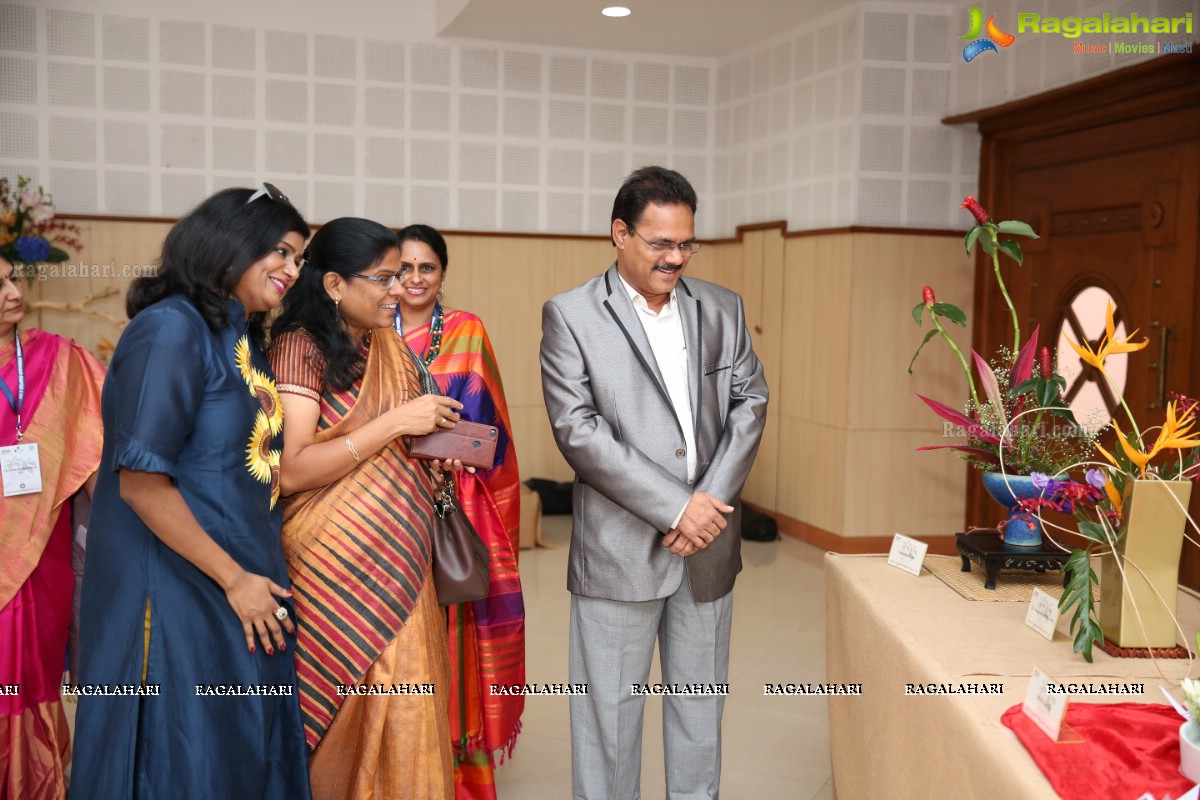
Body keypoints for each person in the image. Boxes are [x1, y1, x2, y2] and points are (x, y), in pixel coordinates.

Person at [71, 185, 312, 800]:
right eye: (280, 252)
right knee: (183, 750)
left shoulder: (237, 336)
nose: (292, 270)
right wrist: (234, 579)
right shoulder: (169, 330)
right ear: (231, 246)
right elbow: (142, 484)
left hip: (237, 574)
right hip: (174, 581)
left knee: (232, 743)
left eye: (300, 258)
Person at [539, 166, 769, 799]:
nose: (676, 258)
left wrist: (708, 507)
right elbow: (578, 432)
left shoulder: (722, 307)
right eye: (660, 244)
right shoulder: (572, 315)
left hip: (709, 545)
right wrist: (675, 508)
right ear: (619, 234)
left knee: (700, 716)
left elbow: (750, 400)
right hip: (618, 551)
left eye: (687, 244)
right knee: (608, 721)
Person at [269, 217, 464, 799]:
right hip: (331, 562)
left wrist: (432, 448)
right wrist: (395, 424)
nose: (399, 289)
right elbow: (291, 468)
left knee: (411, 694)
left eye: (403, 274)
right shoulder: (299, 348)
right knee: (344, 694)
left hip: (402, 555)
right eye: (384, 278)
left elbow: (397, 442)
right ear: (333, 284)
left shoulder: (387, 347)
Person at [393, 225, 525, 800]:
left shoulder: (466, 331)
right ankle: (397, 762)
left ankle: (459, 775)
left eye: (427, 268)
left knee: (452, 634)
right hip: (387, 505)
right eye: (404, 269)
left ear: (443, 273)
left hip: (453, 506)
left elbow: (491, 431)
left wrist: (448, 455)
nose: (416, 280)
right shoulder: (371, 331)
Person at [0, 254, 105, 800]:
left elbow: (97, 456)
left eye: (12, 278)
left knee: (33, 669)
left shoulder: (60, 361)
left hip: (43, 551)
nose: (12, 292)